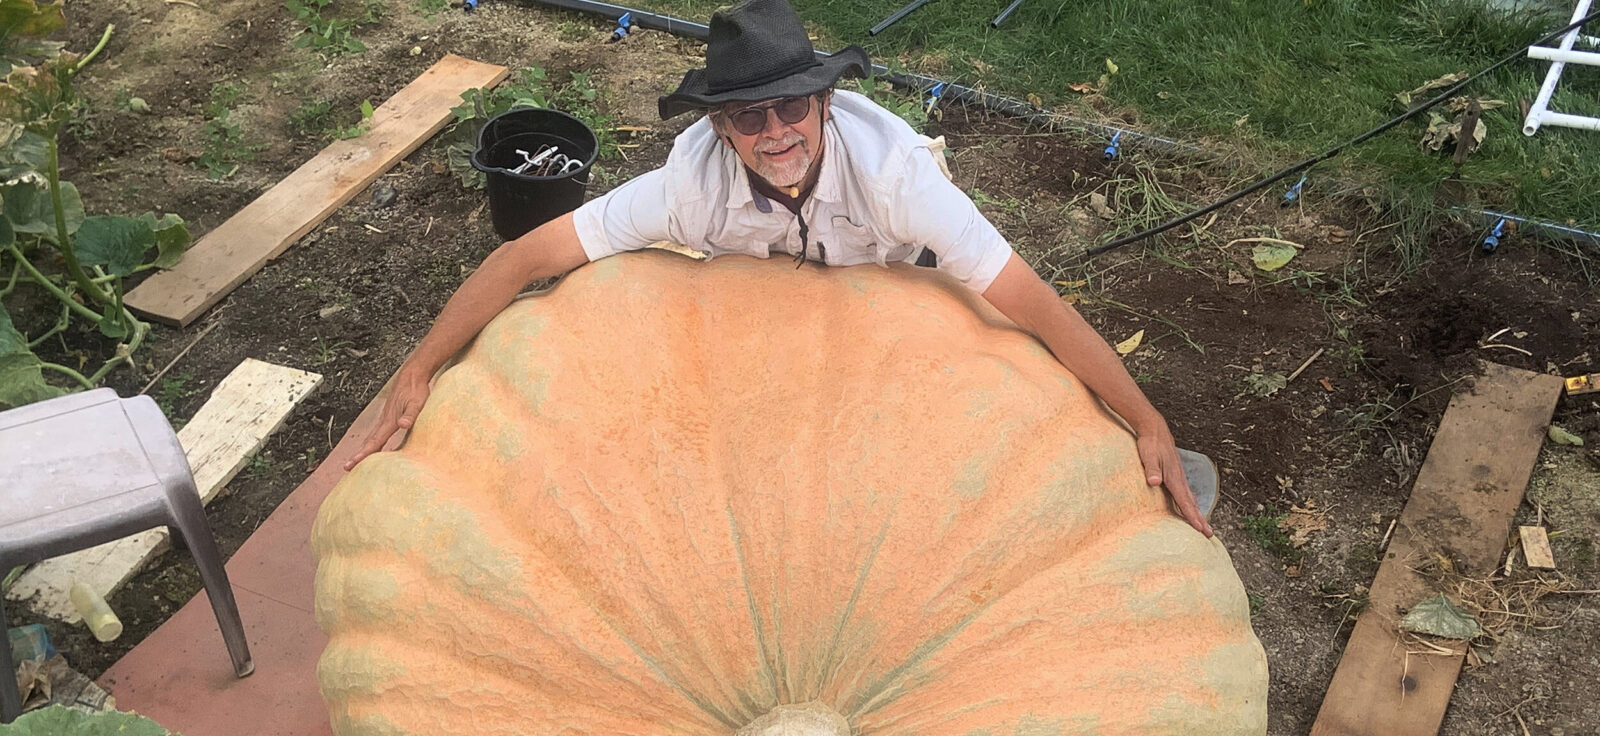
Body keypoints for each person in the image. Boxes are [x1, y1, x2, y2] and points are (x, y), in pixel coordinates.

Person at [346, 0, 1212, 537]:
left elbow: (1032, 304)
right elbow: (526, 255)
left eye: (793, 106)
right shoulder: (689, 189)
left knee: (939, 459)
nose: (777, 132)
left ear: (826, 101)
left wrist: (1143, 417)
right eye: (750, 118)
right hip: (763, 307)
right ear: (720, 129)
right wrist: (421, 367)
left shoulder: (901, 180)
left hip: (895, 298)